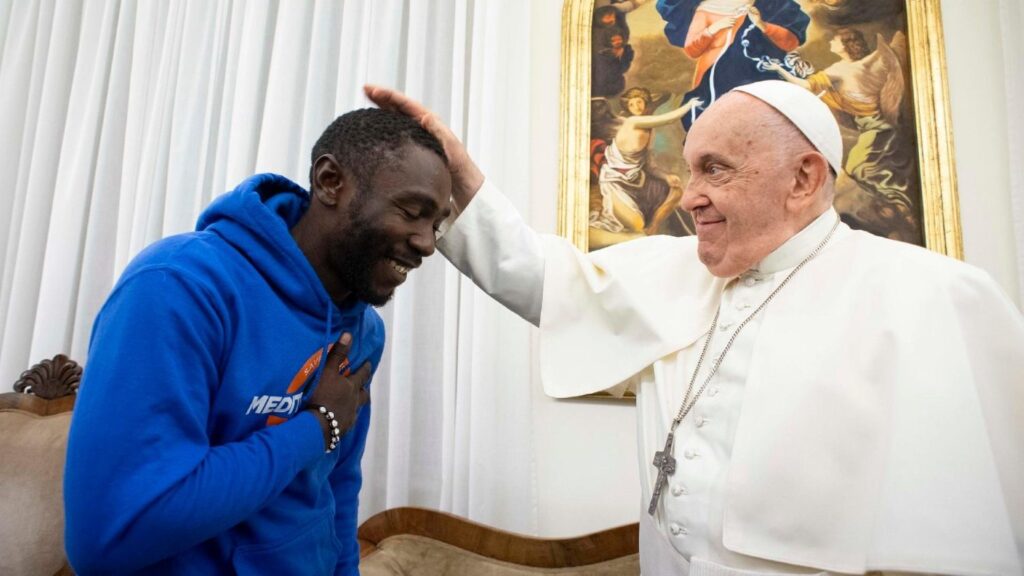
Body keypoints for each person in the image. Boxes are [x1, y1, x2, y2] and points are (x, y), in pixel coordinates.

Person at [366, 81, 1024, 575]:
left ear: (804, 177)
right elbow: (541, 275)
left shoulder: (937, 297)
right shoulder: (673, 269)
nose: (686, 196)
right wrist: (455, 180)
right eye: (687, 169)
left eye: (715, 168)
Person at [63, 108, 452, 574]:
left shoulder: (363, 330)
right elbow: (113, 534)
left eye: (438, 223)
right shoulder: (178, 288)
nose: (428, 243)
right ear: (330, 181)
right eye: (412, 212)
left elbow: (335, 491)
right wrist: (315, 426)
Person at [769, 29, 918, 243]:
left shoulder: (849, 69)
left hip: (877, 131)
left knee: (860, 168)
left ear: (847, 44)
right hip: (873, 128)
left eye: (835, 39)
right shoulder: (853, 66)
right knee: (867, 172)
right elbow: (808, 85)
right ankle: (896, 210)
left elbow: (805, 85)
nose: (830, 41)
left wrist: (777, 69)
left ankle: (897, 210)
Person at [656, 0, 810, 128]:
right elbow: (692, 50)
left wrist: (762, 24)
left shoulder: (765, 5)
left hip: (755, 72)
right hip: (715, 73)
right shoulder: (706, 9)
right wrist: (712, 29)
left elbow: (790, 43)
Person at [590, 88, 702, 249]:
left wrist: (666, 176)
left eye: (639, 102)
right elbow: (667, 119)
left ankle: (653, 227)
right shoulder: (631, 122)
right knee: (636, 225)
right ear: (627, 106)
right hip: (615, 181)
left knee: (676, 191)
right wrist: (688, 106)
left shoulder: (649, 130)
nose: (636, 105)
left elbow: (648, 165)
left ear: (645, 104)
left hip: (637, 179)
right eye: (632, 103)